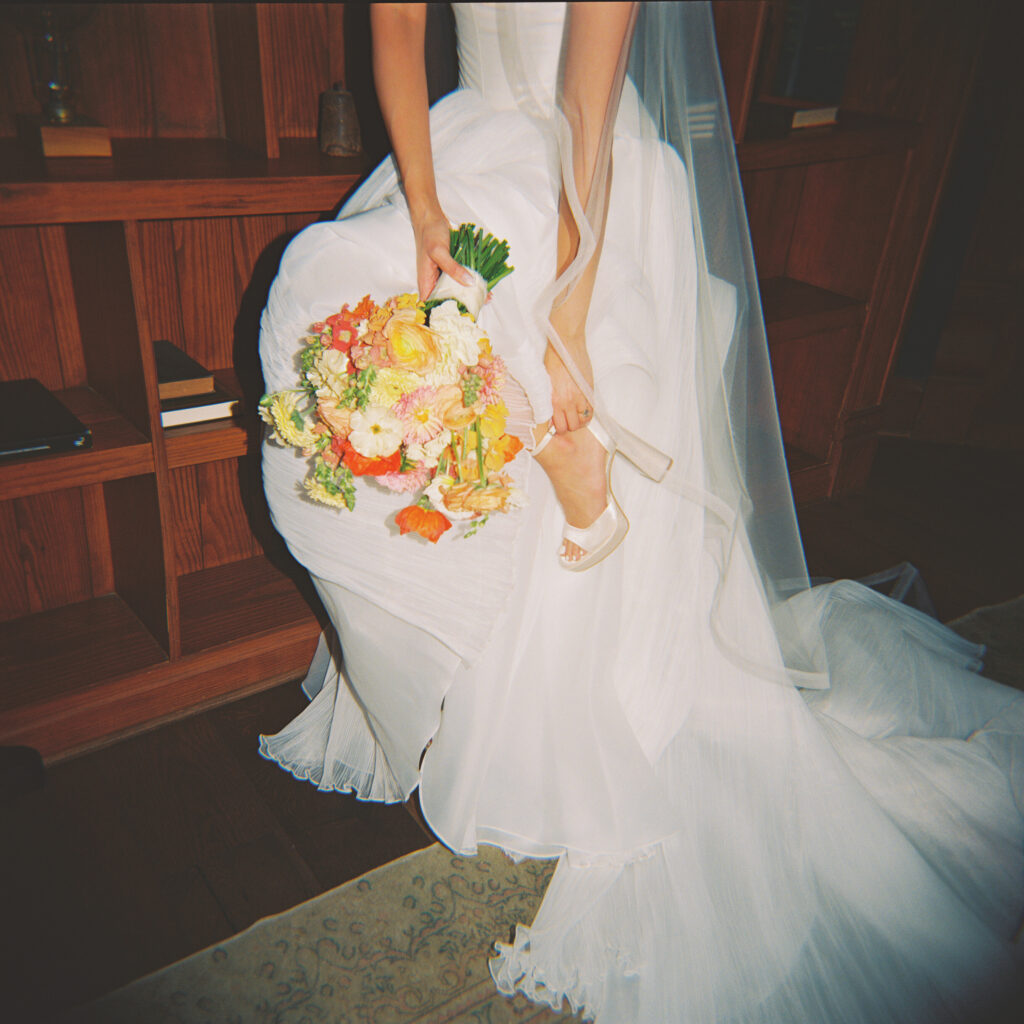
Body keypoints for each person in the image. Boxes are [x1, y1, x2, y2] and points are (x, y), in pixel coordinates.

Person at [259, 4, 1024, 1021]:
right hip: (455, 146)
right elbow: (396, 24)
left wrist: (568, 304)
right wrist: (429, 213)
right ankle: (463, 690)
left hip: (591, 183)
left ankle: (586, 715)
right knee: (362, 349)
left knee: (566, 413)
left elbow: (584, 103)